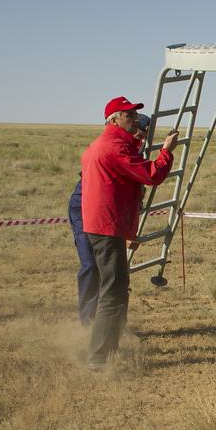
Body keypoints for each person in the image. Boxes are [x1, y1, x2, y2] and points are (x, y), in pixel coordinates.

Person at [80, 97, 178, 368]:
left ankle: (107, 350)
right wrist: (167, 151)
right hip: (107, 226)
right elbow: (152, 175)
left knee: (116, 289)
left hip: (103, 224)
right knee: (113, 292)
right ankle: (98, 358)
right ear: (113, 120)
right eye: (129, 116)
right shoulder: (114, 147)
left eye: (135, 116)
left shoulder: (109, 144)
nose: (135, 121)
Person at [68, 112, 151, 325]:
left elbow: (132, 192)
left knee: (112, 271)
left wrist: (128, 230)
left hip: (107, 211)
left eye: (144, 134)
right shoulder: (114, 147)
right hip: (86, 205)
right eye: (138, 130)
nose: (141, 137)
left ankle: (112, 324)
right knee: (91, 266)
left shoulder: (135, 149)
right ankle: (87, 323)